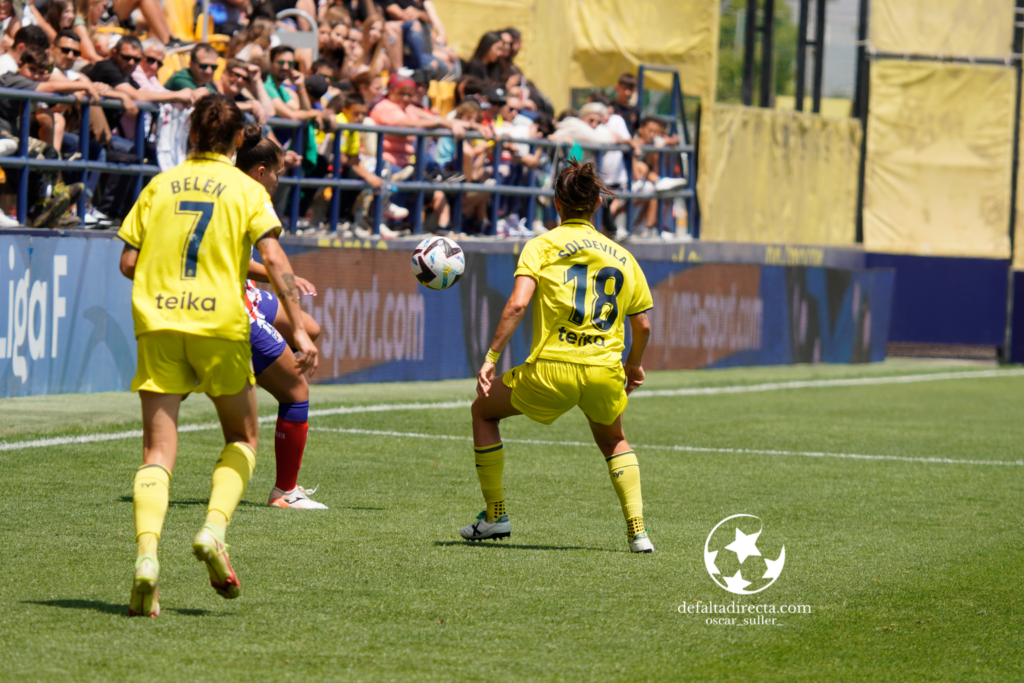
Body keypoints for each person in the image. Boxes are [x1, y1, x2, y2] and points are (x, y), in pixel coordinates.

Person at [116, 95, 319, 618]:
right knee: (242, 437)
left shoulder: (160, 184)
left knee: (157, 453)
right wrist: (300, 329)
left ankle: (145, 559)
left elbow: (128, 261)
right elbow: (272, 257)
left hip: (159, 323)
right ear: (235, 140)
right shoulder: (244, 188)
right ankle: (211, 530)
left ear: (190, 134)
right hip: (218, 324)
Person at [459, 159, 655, 554]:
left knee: (483, 411)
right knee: (615, 441)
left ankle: (496, 516)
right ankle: (638, 532)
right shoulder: (622, 256)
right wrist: (632, 364)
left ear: (556, 204)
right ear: (598, 204)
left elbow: (516, 305)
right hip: (603, 370)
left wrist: (491, 356)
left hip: (552, 370)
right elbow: (644, 325)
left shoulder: (541, 245)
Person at [235, 125, 326, 509]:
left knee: (310, 327)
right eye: (278, 173)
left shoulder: (222, 187)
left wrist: (276, 276)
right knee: (297, 390)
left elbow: (238, 258)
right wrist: (279, 272)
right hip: (232, 306)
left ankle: (256, 366)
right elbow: (271, 256)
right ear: (260, 171)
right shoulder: (252, 199)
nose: (278, 181)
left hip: (242, 290)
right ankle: (284, 493)